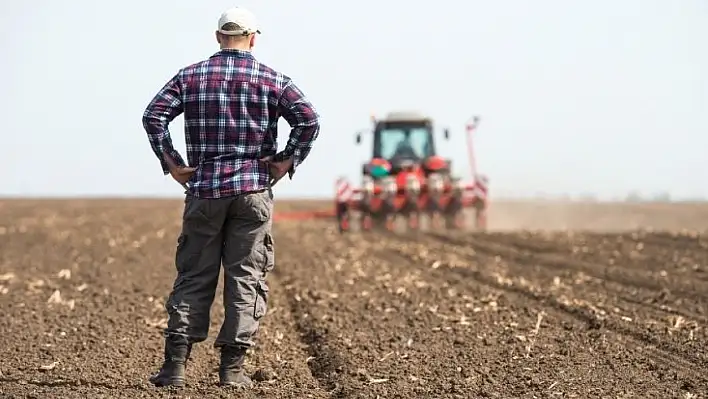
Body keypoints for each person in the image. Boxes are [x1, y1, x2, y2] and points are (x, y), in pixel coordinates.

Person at [141, 6, 320, 388]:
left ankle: (175, 368)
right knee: (246, 278)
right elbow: (309, 119)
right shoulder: (273, 80)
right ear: (253, 38)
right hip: (253, 191)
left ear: (218, 37)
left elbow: (153, 115)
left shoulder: (190, 77)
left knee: (194, 275)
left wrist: (172, 163)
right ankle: (232, 371)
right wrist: (285, 161)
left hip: (204, 190)